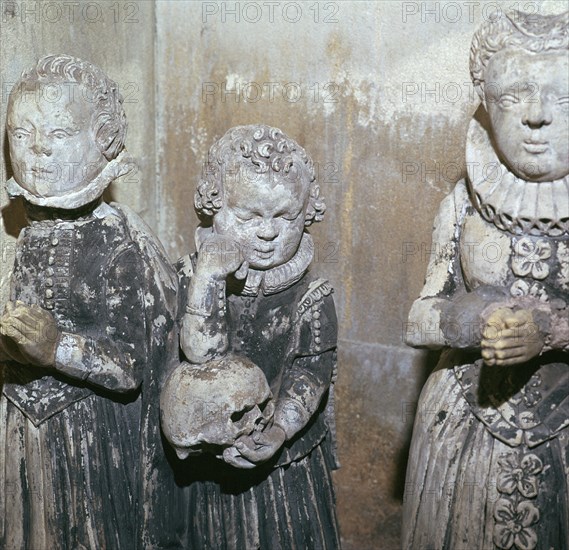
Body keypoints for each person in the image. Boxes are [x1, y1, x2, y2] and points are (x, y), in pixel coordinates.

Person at [0, 54, 182, 549]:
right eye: (20, 134)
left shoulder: (118, 240)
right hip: (26, 427)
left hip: (92, 439)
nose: (37, 150)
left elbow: (130, 369)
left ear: (103, 141)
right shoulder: (32, 235)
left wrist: (56, 348)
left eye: (59, 134)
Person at [403, 10, 569, 550]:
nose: (537, 117)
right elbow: (419, 317)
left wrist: (548, 330)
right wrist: (469, 317)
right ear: (485, 101)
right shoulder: (462, 205)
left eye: (562, 97)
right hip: (464, 428)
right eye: (513, 98)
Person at [174, 124, 341, 549]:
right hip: (207, 462)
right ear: (216, 207)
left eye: (285, 216)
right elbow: (199, 356)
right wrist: (210, 278)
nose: (268, 233)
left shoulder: (311, 296)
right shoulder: (189, 277)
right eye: (248, 216)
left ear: (308, 211)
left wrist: (281, 429)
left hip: (285, 464)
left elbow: (311, 370)